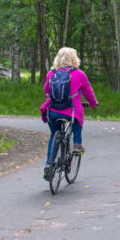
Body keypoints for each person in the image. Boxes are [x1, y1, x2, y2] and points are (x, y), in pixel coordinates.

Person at [40, 47, 98, 180]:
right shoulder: (79, 74)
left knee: (54, 135)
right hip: (71, 111)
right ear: (74, 59)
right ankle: (77, 144)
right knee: (78, 119)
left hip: (53, 111)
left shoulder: (51, 73)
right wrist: (93, 103)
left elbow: (46, 91)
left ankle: (49, 165)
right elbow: (88, 92)